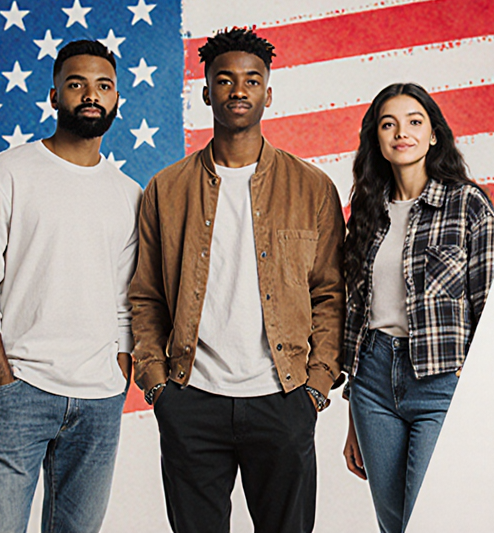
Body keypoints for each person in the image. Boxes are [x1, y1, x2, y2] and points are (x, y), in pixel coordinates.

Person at [129, 28, 345, 533]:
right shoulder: (166, 189)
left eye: (251, 80)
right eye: (224, 80)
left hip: (283, 398)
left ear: (268, 94)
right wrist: (158, 384)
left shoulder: (311, 187)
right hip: (191, 399)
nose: (238, 90)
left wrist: (315, 386)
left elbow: (331, 295)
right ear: (206, 93)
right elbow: (145, 295)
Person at [0, 40, 140, 532]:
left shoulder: (128, 194)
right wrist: (1, 376)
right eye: (76, 84)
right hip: (21, 392)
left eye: (104, 86)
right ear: (54, 95)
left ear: (117, 99)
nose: (91, 95)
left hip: (100, 400)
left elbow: (128, 300)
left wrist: (119, 373)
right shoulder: (6, 174)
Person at [341, 83, 494, 533]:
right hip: (372, 382)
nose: (402, 132)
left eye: (415, 121)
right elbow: (355, 318)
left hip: (441, 380)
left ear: (434, 134)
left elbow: (490, 309)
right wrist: (353, 415)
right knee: (393, 523)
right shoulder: (367, 212)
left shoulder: (468, 205)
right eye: (388, 124)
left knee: (429, 518)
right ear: (376, 137)